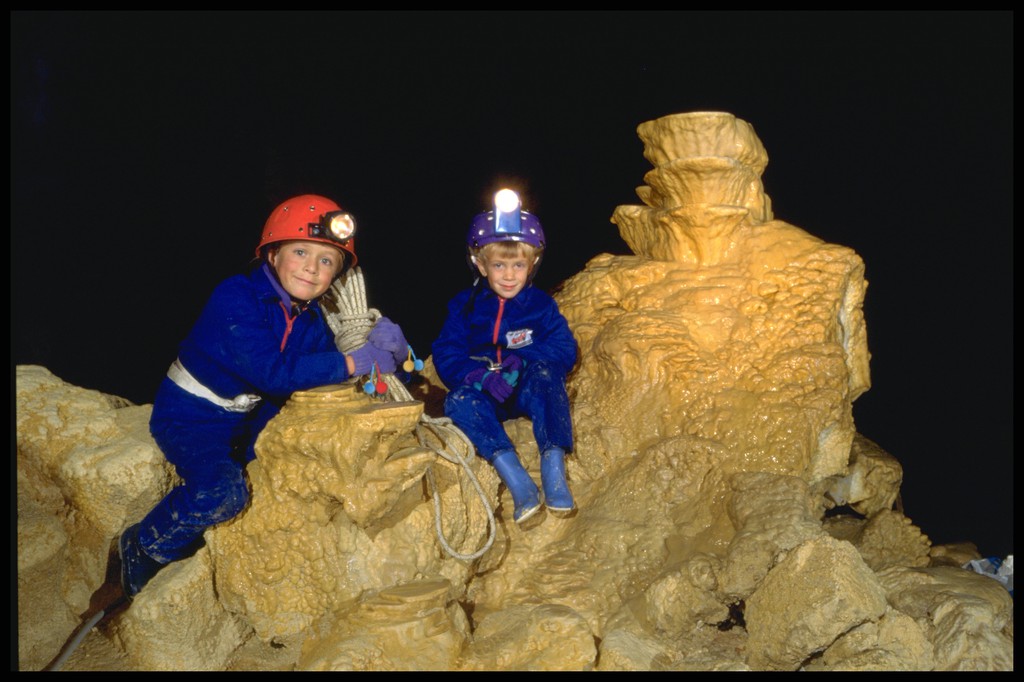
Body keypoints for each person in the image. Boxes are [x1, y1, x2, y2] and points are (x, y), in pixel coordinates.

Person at [119, 194, 409, 600]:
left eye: (327, 260)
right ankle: (144, 545)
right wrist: (353, 361)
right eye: (300, 252)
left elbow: (336, 369)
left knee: (289, 471)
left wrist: (398, 356)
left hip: (249, 417)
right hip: (191, 416)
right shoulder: (235, 297)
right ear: (273, 254)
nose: (312, 267)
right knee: (223, 493)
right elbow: (273, 373)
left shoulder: (310, 319)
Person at [431, 189, 578, 524]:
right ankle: (517, 479)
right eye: (499, 265)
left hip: (524, 386)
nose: (509, 275)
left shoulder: (540, 305)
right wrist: (476, 376)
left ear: (532, 264)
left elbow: (563, 346)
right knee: (458, 401)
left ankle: (554, 469)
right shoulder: (464, 306)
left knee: (546, 374)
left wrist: (524, 360)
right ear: (481, 265)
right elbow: (447, 350)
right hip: (488, 390)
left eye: (518, 265)